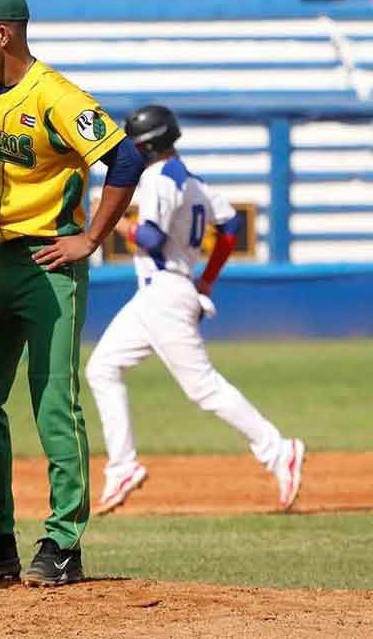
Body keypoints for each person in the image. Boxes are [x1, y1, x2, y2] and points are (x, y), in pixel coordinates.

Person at [0, 0, 143, 587]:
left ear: (4, 32)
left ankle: (64, 541)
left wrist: (90, 238)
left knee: (53, 402)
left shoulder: (57, 96)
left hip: (49, 263)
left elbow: (126, 160)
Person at [85, 104, 305, 514]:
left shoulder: (157, 178)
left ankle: (278, 450)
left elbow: (151, 238)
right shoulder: (192, 180)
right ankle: (123, 466)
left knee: (204, 388)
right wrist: (207, 280)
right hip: (162, 293)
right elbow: (231, 226)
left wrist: (114, 220)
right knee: (102, 368)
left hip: (164, 294)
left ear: (146, 147)